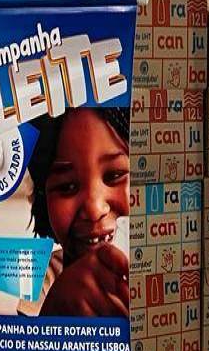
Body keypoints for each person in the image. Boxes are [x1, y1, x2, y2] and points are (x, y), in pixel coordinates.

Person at [24, 107, 130, 317]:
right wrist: (54, 313)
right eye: (67, 187)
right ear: (43, 199)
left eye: (115, 175)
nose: (94, 209)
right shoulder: (42, 278)